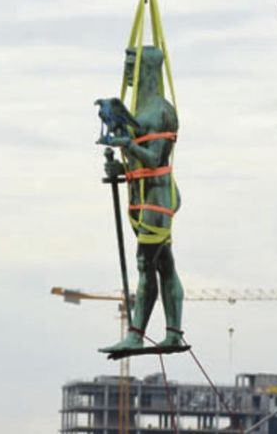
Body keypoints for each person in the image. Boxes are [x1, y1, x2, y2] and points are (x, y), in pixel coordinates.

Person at [100, 46, 184, 354]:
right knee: (164, 264)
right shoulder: (138, 112)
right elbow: (137, 164)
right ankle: (173, 333)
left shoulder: (161, 112)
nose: (126, 70)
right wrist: (118, 167)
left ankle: (135, 334)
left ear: (147, 67)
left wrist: (128, 145)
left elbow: (154, 158)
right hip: (141, 200)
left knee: (145, 264)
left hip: (158, 199)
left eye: (131, 64)